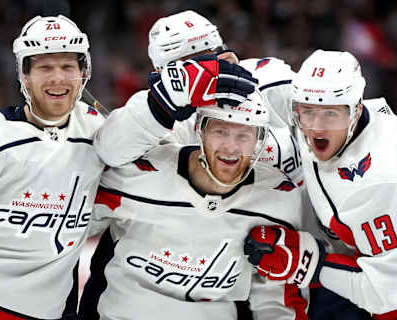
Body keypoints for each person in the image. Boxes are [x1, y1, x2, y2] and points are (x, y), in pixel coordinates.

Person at [0, 14, 255, 320]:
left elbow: (134, 154)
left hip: (49, 312)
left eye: (68, 67)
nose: (58, 78)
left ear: (83, 74)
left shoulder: (96, 130)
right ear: (24, 76)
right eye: (45, 68)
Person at [78, 10, 306, 319]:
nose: (203, 76)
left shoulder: (270, 83)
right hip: (155, 245)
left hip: (248, 241)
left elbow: (334, 114)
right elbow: (109, 150)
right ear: (164, 75)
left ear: (226, 55)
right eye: (189, 69)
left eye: (208, 60)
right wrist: (163, 104)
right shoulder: (153, 111)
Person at [244, 50, 397, 319]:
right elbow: (264, 76)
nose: (315, 128)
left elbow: (389, 297)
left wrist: (303, 263)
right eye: (307, 112)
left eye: (330, 114)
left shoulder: (377, 182)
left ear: (356, 111)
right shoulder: (332, 108)